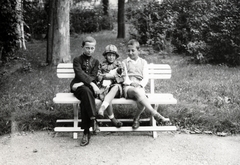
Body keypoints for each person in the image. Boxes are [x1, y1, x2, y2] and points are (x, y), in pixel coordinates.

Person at [122, 39, 170, 129]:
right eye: (128, 51)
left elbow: (145, 78)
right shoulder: (124, 62)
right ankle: (154, 113)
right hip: (128, 88)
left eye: (133, 50)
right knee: (139, 94)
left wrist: (140, 85)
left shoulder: (143, 62)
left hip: (139, 87)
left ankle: (136, 119)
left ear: (138, 51)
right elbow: (125, 77)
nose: (130, 53)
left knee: (141, 100)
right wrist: (132, 83)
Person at [70, 36, 100, 146]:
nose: (90, 50)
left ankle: (86, 132)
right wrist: (91, 83)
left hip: (84, 87)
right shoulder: (77, 60)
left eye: (92, 48)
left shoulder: (96, 62)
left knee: (86, 97)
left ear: (94, 48)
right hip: (77, 88)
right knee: (85, 92)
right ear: (83, 47)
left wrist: (84, 83)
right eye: (87, 48)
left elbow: (93, 75)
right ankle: (93, 120)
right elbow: (79, 74)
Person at [97, 44, 124, 128]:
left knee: (114, 88)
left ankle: (102, 108)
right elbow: (98, 77)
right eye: (109, 55)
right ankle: (113, 119)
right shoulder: (102, 65)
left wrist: (112, 76)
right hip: (105, 88)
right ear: (105, 56)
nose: (111, 57)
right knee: (108, 96)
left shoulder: (119, 65)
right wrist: (102, 77)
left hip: (116, 88)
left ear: (116, 56)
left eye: (113, 55)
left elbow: (123, 78)